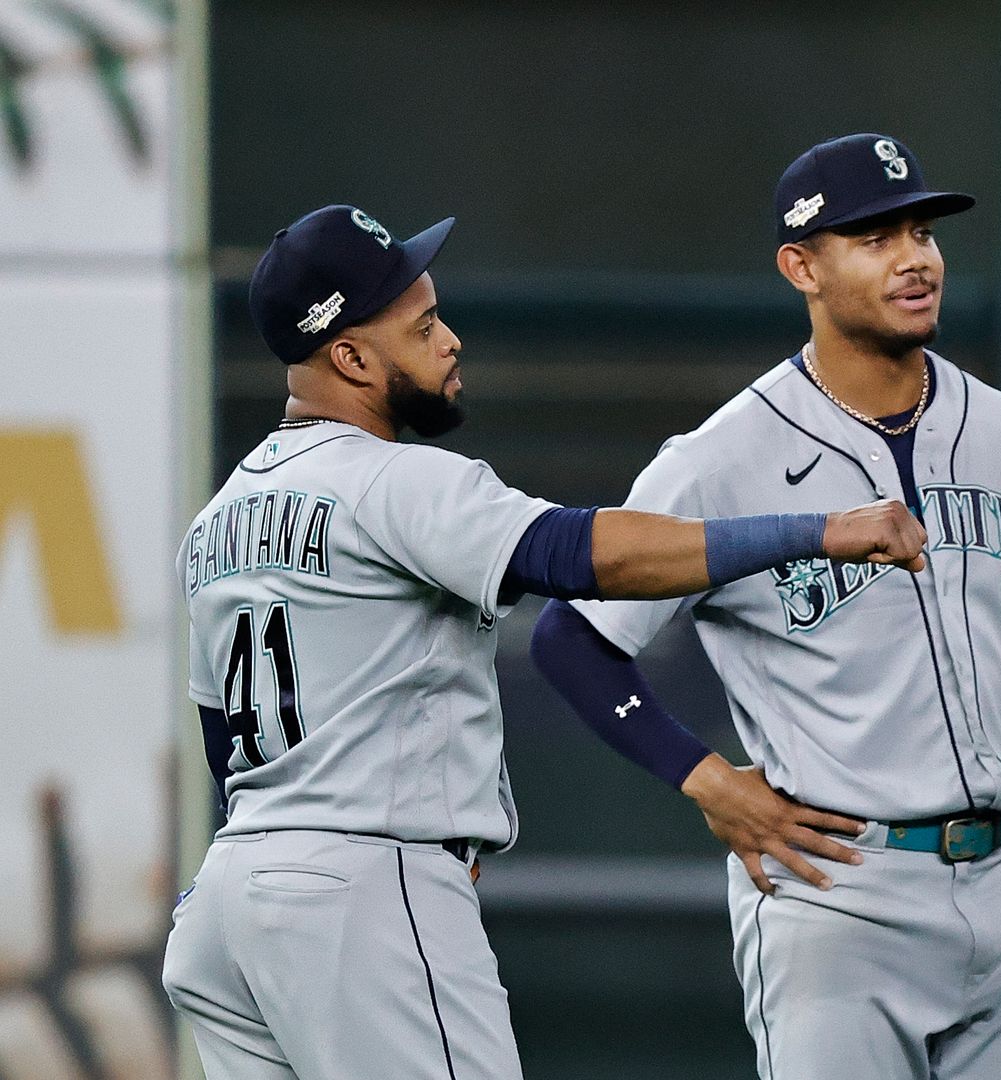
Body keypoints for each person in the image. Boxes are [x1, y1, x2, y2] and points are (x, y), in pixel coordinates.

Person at [160, 204, 925, 1080]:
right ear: (352, 357)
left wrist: (263, 873)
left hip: (227, 912)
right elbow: (583, 557)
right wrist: (818, 530)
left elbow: (224, 739)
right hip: (362, 892)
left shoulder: (218, 520)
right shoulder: (392, 481)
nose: (449, 342)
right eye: (423, 325)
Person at [530, 133, 1001, 1078]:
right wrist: (708, 782)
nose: (915, 258)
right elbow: (572, 637)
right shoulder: (720, 457)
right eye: (874, 237)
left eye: (922, 232)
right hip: (841, 892)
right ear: (801, 265)